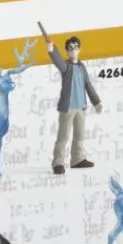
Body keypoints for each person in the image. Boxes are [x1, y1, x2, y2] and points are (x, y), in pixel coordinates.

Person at [39, 23, 102, 175]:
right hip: (67, 108)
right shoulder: (66, 67)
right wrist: (52, 49)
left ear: (79, 49)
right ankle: (58, 162)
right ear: (67, 50)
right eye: (70, 47)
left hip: (81, 107)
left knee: (80, 135)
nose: (73, 49)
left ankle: (78, 159)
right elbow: (58, 61)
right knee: (63, 136)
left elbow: (88, 85)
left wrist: (96, 101)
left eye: (76, 47)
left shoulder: (82, 67)